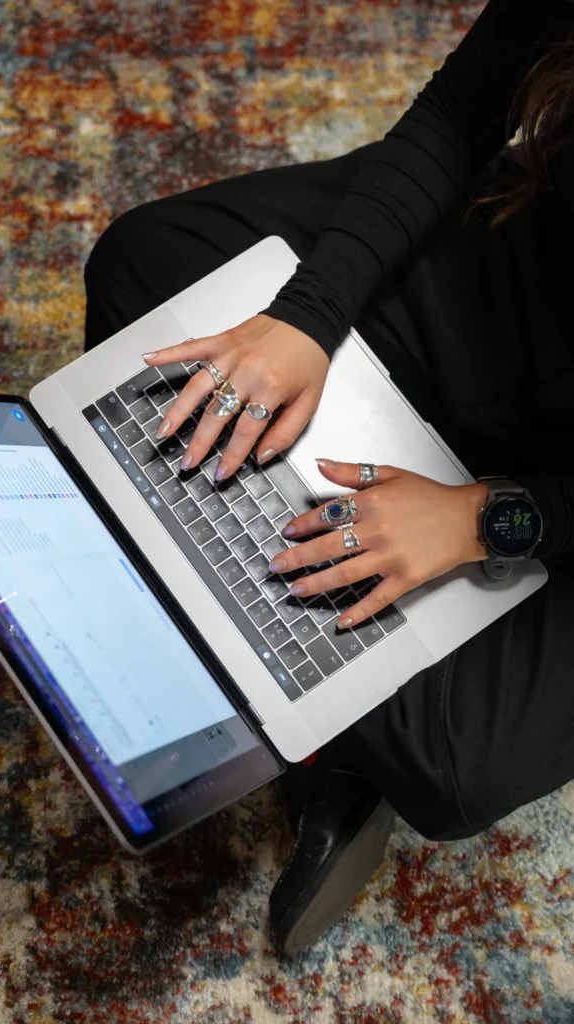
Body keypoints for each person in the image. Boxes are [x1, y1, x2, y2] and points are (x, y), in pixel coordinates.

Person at [84, 0, 574, 954]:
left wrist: (494, 519)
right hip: (522, 262)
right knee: (156, 274)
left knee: (454, 764)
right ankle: (284, 653)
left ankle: (330, 735)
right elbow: (464, 105)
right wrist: (309, 317)